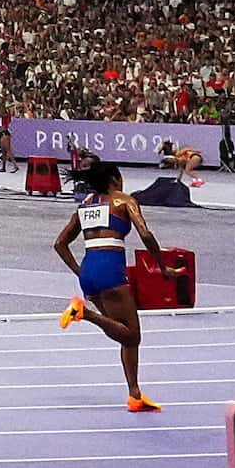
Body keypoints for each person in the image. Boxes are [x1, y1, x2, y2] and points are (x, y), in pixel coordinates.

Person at [54, 159, 168, 413]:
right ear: (115, 179)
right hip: (110, 271)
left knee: (123, 335)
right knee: (132, 335)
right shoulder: (123, 200)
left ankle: (135, 395)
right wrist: (162, 266)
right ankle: (84, 313)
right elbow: (146, 235)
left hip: (89, 273)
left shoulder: (85, 205)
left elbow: (60, 243)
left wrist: (80, 272)